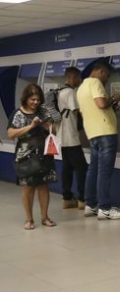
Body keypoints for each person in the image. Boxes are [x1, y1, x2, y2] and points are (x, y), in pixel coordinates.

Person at [77, 59, 120, 220]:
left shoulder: (81, 87)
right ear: (101, 71)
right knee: (104, 171)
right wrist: (113, 98)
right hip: (106, 132)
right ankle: (104, 208)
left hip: (93, 133)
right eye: (107, 75)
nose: (106, 79)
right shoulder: (95, 83)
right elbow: (101, 103)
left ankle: (90, 205)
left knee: (93, 170)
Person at [8, 84, 57, 230]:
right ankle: (29, 219)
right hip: (25, 156)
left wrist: (48, 127)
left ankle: (45, 217)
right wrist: (31, 126)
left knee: (43, 186)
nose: (35, 102)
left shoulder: (44, 112)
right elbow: (11, 134)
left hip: (44, 154)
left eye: (38, 99)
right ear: (26, 98)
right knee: (28, 188)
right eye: (32, 99)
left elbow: (54, 130)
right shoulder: (18, 113)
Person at [57, 66, 87, 211]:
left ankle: (67, 198)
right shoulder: (70, 92)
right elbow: (79, 111)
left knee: (67, 168)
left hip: (62, 137)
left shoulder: (60, 91)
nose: (80, 81)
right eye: (79, 78)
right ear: (72, 77)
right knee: (82, 168)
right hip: (71, 137)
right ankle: (82, 199)